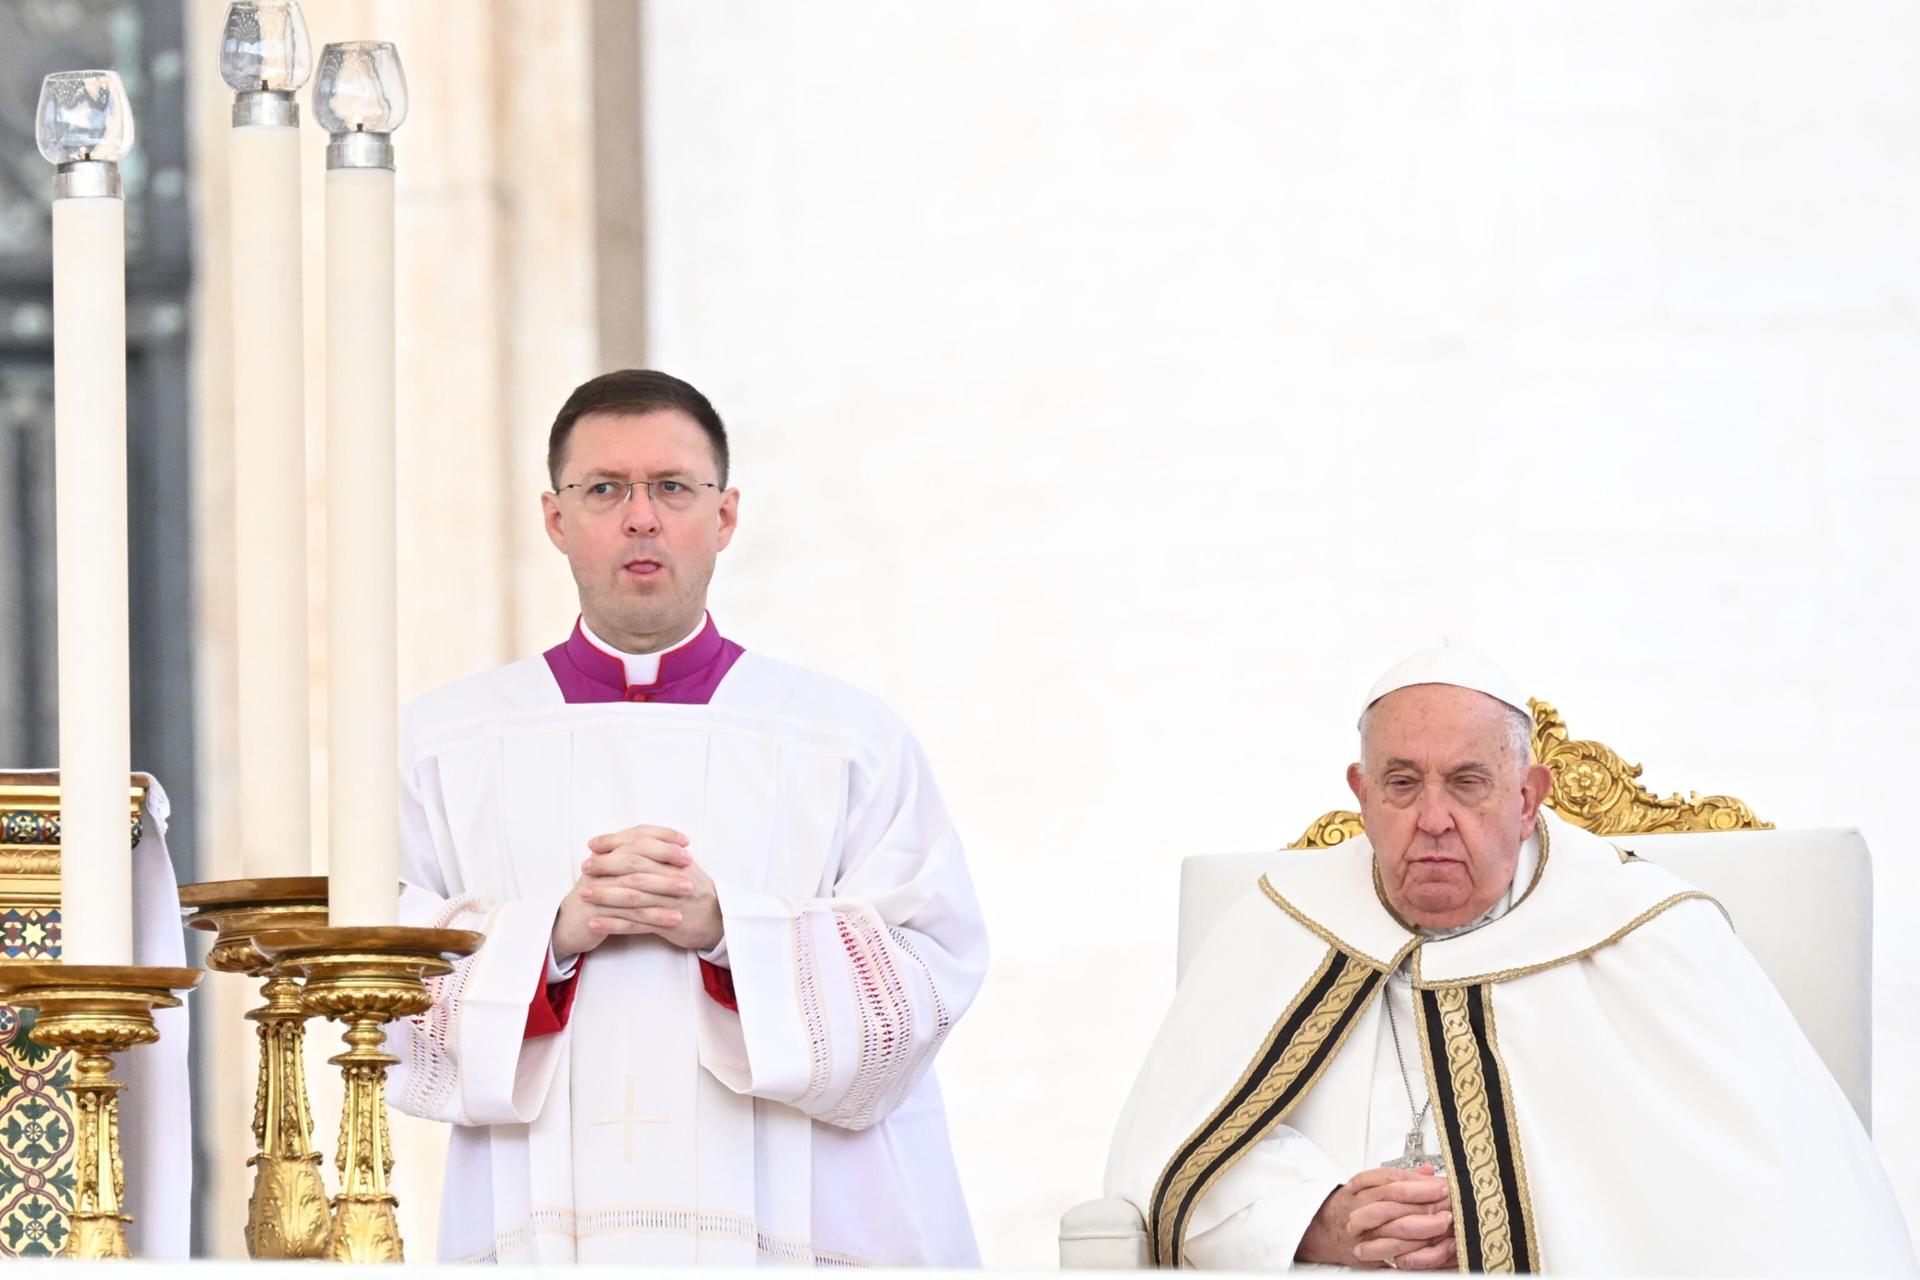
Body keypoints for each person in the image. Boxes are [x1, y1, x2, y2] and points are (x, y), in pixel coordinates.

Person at [388, 370, 987, 1265]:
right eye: (605, 490)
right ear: (556, 518)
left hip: (796, 1227)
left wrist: (729, 933)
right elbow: (374, 974)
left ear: (726, 516)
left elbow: (930, 972)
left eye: (672, 487)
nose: (641, 518)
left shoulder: (844, 737)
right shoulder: (451, 739)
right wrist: (547, 939)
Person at [1104, 647, 1917, 1274]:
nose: (1433, 819)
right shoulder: (1276, 925)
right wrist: (1313, 1218)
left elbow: (1749, 1196)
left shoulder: (1650, 935)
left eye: (1468, 784)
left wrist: (1521, 1217)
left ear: (1529, 796)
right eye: (1401, 783)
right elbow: (1170, 1158)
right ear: (1359, 791)